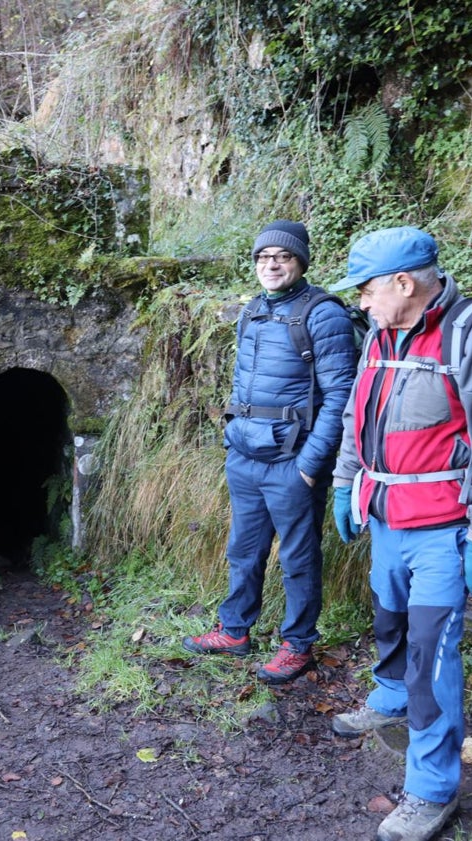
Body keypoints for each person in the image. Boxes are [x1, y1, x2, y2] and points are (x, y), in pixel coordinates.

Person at [327, 227, 472, 841]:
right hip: (386, 514)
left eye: (367, 290)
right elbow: (355, 412)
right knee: (388, 617)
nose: (361, 303)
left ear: (404, 282)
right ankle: (386, 697)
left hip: (443, 528)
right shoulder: (380, 335)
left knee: (431, 657)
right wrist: (346, 483)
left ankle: (431, 789)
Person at [182, 220, 357, 684]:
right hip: (245, 456)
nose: (271, 265)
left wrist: (309, 465)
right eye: (263, 257)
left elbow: (342, 396)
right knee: (243, 549)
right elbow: (243, 383)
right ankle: (235, 631)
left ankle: (297, 645)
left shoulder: (324, 314)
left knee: (298, 558)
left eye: (282, 256)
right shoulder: (253, 309)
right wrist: (231, 438)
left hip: (291, 461)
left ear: (300, 261)